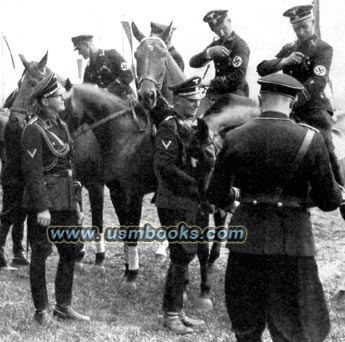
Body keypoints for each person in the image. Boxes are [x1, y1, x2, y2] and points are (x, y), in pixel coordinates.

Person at [207, 72, 343, 342]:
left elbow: (215, 193)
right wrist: (310, 197)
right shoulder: (310, 139)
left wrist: (238, 199)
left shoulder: (235, 137)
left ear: (260, 99)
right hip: (292, 243)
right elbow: (329, 202)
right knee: (292, 328)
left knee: (246, 327)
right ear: (291, 103)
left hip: (245, 240)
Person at [22, 73, 90, 325]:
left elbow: (69, 166)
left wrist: (77, 205)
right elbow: (32, 172)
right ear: (45, 100)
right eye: (57, 95)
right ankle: (41, 311)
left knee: (71, 250)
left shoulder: (61, 125)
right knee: (41, 252)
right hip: (46, 204)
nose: (62, 97)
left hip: (66, 202)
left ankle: (63, 306)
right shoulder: (33, 129)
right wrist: (42, 207)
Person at [257, 4, 344, 186]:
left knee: (326, 142)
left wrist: (291, 102)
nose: (302, 32)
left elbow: (317, 81)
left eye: (305, 26)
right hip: (286, 107)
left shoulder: (323, 48)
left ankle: (341, 189)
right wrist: (283, 61)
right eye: (297, 28)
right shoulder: (289, 48)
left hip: (313, 107)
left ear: (312, 22)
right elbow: (262, 69)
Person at [154, 76, 209, 334]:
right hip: (173, 200)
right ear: (177, 101)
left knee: (187, 253)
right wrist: (194, 183)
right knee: (179, 253)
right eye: (190, 102)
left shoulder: (197, 125)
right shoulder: (169, 127)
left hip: (192, 200)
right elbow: (164, 166)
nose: (195, 106)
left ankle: (178, 311)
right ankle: (171, 314)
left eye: (197, 101)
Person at [189, 9, 250, 100]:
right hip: (217, 93)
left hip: (236, 95)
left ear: (229, 21)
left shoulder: (239, 45)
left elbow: (238, 76)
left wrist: (209, 82)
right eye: (216, 31)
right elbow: (193, 63)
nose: (221, 33)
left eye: (223, 28)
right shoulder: (217, 44)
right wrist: (209, 52)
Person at [71, 34, 134, 100]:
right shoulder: (89, 68)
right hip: (108, 104)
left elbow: (128, 75)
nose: (79, 53)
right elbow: (86, 88)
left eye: (79, 49)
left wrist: (109, 90)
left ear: (86, 45)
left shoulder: (112, 55)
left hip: (126, 100)